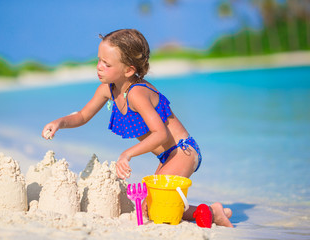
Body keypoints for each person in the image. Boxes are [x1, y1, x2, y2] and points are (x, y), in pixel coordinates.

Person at [42, 29, 233, 228]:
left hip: (183, 151)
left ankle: (212, 212)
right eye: (99, 60)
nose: (99, 67)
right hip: (168, 156)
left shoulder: (137, 93)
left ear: (129, 70)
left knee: (157, 206)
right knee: (150, 207)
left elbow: (161, 133)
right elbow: (82, 116)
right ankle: (215, 212)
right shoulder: (108, 89)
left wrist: (127, 154)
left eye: (107, 64)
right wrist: (59, 123)